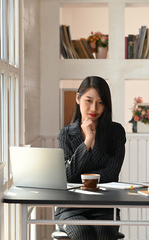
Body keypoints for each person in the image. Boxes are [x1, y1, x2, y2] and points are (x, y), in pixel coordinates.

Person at [55, 76, 126, 240]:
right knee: (83, 233)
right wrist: (87, 141)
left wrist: (79, 175)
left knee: (104, 233)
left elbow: (111, 175)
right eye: (88, 100)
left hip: (105, 207)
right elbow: (66, 176)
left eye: (100, 102)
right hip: (70, 209)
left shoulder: (116, 132)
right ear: (78, 98)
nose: (94, 108)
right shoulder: (66, 134)